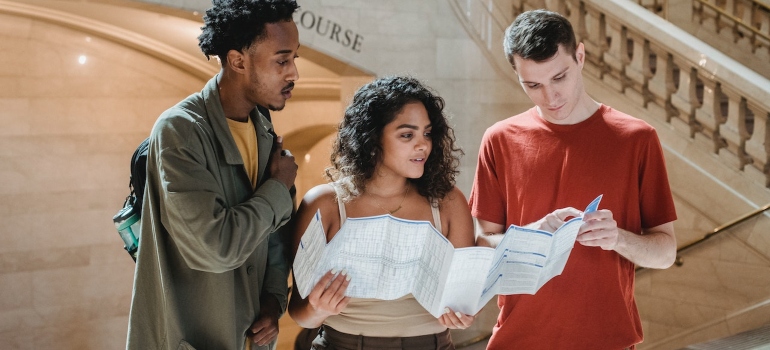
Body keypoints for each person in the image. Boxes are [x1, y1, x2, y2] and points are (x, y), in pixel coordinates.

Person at [468, 9, 678, 350]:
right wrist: (531, 234)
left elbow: (666, 252)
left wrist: (618, 239)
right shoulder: (499, 139)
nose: (550, 97)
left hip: (607, 342)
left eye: (559, 78)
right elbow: (481, 246)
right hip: (516, 341)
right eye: (532, 85)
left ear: (579, 56)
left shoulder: (637, 139)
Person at [126, 0, 300, 349]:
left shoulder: (263, 127)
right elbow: (215, 248)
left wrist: (273, 300)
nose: (294, 72)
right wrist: (279, 186)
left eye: (294, 58)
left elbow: (275, 235)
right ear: (238, 61)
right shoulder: (180, 130)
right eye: (282, 60)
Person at [288, 76, 476, 349]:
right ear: (373, 139)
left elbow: (465, 300)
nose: (422, 144)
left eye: (427, 133)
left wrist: (463, 315)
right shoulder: (324, 204)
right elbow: (298, 312)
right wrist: (318, 309)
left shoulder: (448, 202)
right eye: (407, 135)